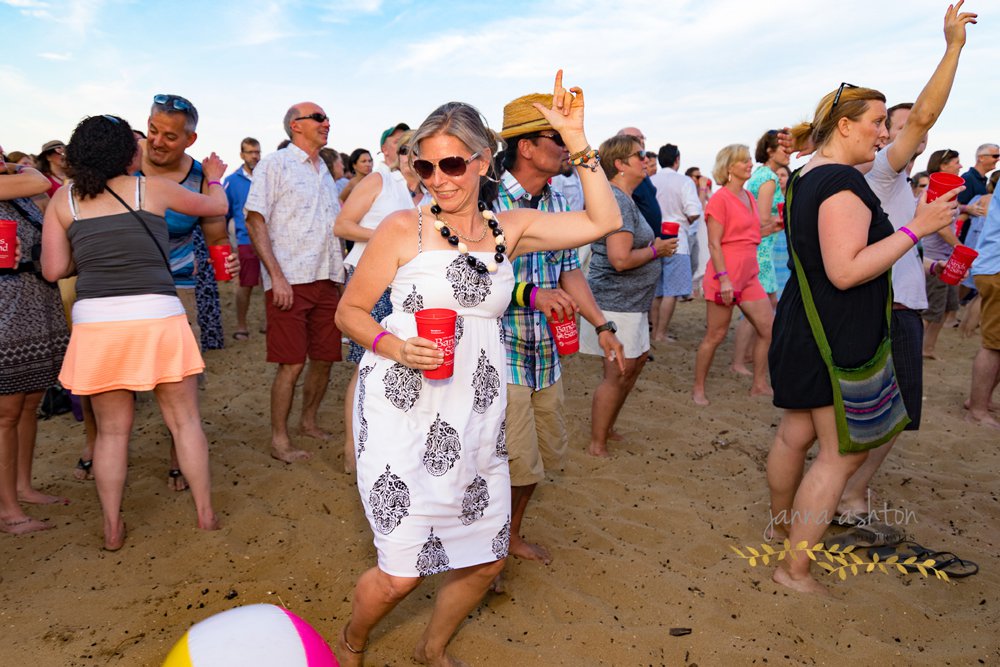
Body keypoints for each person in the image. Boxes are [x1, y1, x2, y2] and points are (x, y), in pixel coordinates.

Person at [333, 71, 622, 666]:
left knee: (485, 554)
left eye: (453, 166)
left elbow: (602, 222)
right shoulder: (400, 230)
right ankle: (352, 643)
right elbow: (350, 312)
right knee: (403, 572)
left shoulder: (507, 231)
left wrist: (578, 138)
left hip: (475, 410)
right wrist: (394, 346)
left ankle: (430, 649)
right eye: (425, 168)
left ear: (484, 162)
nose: (439, 180)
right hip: (403, 406)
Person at [766, 79, 962, 594]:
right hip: (837, 331)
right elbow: (846, 271)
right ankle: (793, 569)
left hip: (802, 321)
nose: (883, 133)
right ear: (845, 125)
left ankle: (784, 531)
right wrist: (917, 228)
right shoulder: (840, 183)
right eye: (876, 122)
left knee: (795, 435)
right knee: (842, 454)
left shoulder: (805, 175)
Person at [41, 114, 225, 550]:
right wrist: (213, 178)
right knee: (184, 423)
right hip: (158, 315)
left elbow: (52, 269)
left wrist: (88, 256)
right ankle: (205, 514)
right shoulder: (151, 188)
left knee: (111, 433)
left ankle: (111, 528)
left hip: (97, 324)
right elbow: (216, 208)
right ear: (128, 153)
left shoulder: (63, 202)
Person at [838, 13, 975, 523]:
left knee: (890, 417)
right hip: (890, 308)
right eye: (886, 127)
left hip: (902, 301)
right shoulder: (879, 170)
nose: (896, 135)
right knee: (882, 418)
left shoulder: (902, 184)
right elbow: (922, 116)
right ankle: (847, 497)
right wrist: (953, 49)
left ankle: (847, 493)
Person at [493, 92, 624, 574]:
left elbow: (569, 271)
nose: (565, 148)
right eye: (557, 138)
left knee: (538, 460)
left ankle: (508, 536)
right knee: (504, 461)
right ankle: (484, 556)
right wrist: (531, 294)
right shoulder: (485, 199)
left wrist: (602, 325)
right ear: (526, 146)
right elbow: (465, 279)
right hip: (495, 351)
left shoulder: (557, 199)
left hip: (544, 352)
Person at [142, 93, 237, 490]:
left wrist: (224, 258)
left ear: (189, 140)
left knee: (180, 377)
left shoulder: (198, 176)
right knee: (111, 380)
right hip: (122, 281)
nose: (157, 142)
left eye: (169, 135)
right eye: (152, 131)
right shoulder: (126, 161)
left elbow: (215, 233)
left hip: (177, 287)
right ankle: (94, 448)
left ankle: (177, 457)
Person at [245, 101, 346, 463]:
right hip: (290, 280)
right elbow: (255, 221)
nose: (326, 122)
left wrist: (340, 278)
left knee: (324, 358)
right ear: (295, 125)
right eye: (318, 118)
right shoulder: (275, 164)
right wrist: (276, 277)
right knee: (291, 363)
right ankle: (279, 439)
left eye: (326, 117)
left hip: (327, 278)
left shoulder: (324, 172)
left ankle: (308, 421)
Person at [584, 134, 676, 457]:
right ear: (620, 164)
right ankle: (597, 443)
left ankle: (606, 429)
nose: (646, 160)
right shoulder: (619, 201)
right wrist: (656, 249)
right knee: (618, 372)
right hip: (615, 301)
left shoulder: (625, 199)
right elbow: (620, 259)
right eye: (640, 156)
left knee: (633, 366)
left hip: (631, 302)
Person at [334, 127, 416, 473]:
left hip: (403, 286)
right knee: (364, 365)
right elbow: (342, 225)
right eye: (412, 149)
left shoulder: (427, 194)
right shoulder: (380, 181)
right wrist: (388, 237)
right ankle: (352, 450)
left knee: (394, 364)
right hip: (370, 281)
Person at [0, 150, 70, 535]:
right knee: (6, 412)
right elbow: (41, 181)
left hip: (37, 299)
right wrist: (20, 167)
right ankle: (7, 509)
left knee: (29, 403)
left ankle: (22, 487)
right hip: (6, 307)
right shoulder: (18, 182)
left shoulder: (15, 194)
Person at [691, 144, 773, 405]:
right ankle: (698, 388)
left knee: (768, 328)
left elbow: (752, 235)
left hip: (749, 275)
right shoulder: (720, 199)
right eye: (744, 161)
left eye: (750, 160)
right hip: (724, 275)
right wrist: (724, 278)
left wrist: (779, 226)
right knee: (716, 335)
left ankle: (759, 384)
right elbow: (714, 243)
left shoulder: (749, 197)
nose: (750, 164)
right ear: (729, 168)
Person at [731, 130, 790, 375]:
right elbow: (763, 220)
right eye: (784, 149)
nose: (788, 153)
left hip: (757, 249)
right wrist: (787, 218)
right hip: (762, 251)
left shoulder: (759, 175)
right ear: (769, 150)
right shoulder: (768, 179)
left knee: (761, 307)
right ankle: (739, 361)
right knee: (760, 307)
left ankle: (747, 357)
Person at [649, 143, 701, 343]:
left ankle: (654, 332)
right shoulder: (684, 181)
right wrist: (687, 221)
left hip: (654, 238)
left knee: (657, 290)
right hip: (677, 239)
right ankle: (661, 333)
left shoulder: (652, 180)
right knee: (671, 290)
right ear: (677, 160)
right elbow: (694, 211)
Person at [922, 148, 965, 358]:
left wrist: (968, 209)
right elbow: (939, 225)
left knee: (946, 308)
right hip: (934, 258)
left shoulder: (949, 191)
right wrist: (960, 247)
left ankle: (927, 349)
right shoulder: (934, 191)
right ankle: (914, 348)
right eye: (956, 162)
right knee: (931, 310)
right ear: (942, 165)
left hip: (946, 257)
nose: (960, 166)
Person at [967, 193, 1000, 429]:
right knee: (993, 345)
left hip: (992, 267)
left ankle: (982, 400)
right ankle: (977, 409)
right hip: (997, 269)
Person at [225, 137, 262, 341]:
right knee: (245, 284)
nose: (255, 156)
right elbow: (224, 214)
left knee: (270, 284)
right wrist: (229, 246)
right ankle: (241, 324)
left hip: (269, 240)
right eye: (250, 152)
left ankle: (268, 324)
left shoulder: (266, 177)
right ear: (242, 155)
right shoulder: (232, 181)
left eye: (257, 152)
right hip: (245, 240)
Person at [957, 142, 998, 242]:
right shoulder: (968, 178)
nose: (998, 159)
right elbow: (955, 207)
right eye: (995, 156)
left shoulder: (983, 180)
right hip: (966, 238)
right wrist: (967, 209)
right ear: (981, 158)